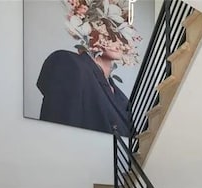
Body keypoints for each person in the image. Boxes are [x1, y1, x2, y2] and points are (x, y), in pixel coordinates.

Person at [36, 0, 142, 136]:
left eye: (122, 32)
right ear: (91, 31)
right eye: (109, 28)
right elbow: (58, 128)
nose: (118, 39)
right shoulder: (69, 63)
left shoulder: (122, 99)